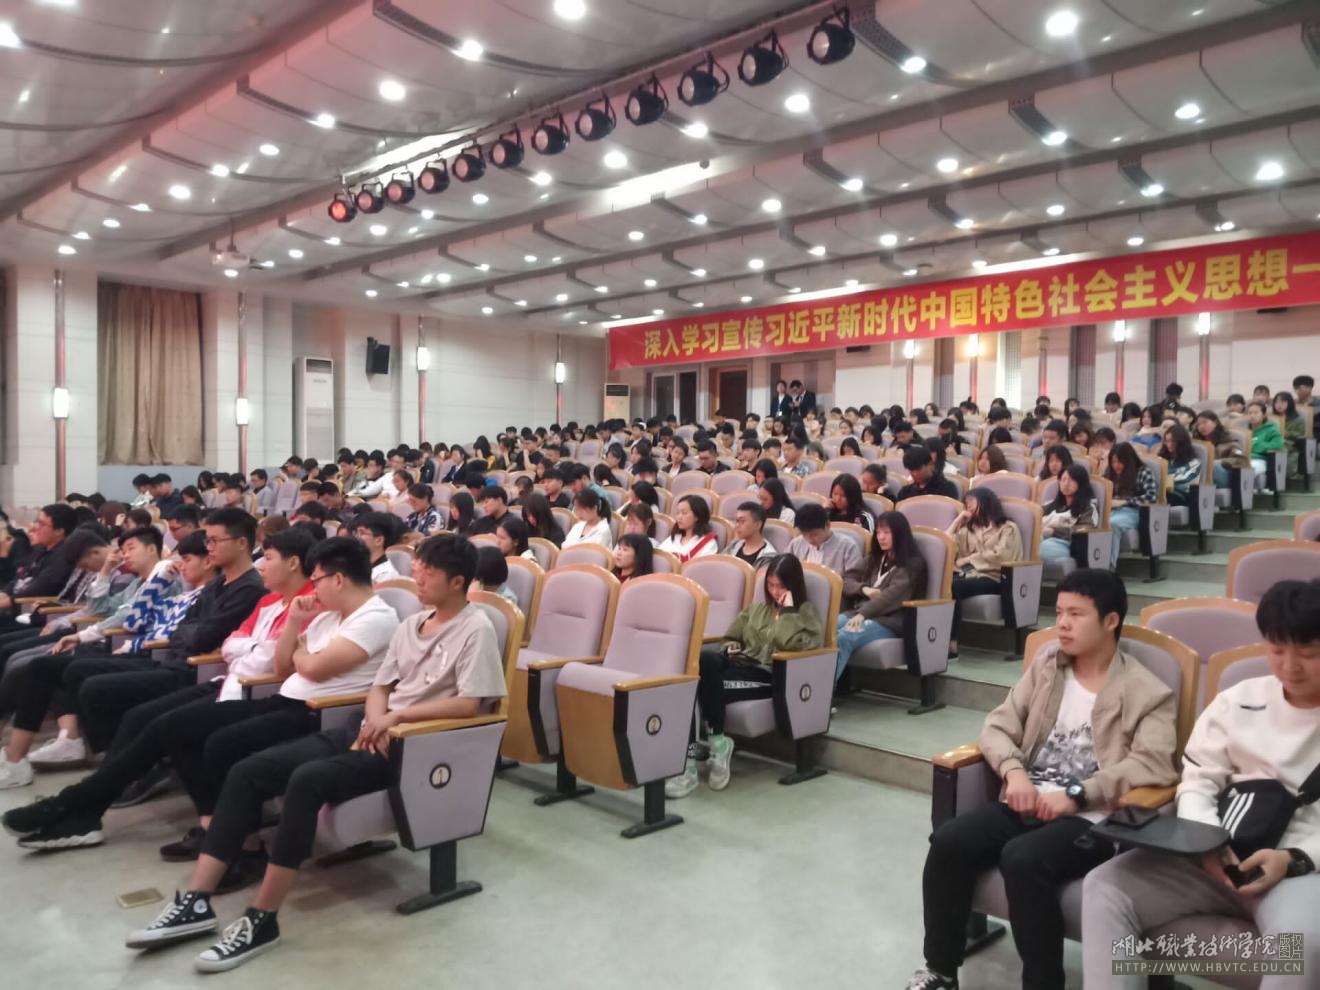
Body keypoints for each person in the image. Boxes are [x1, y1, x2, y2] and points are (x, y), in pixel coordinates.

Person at [120, 536, 505, 972]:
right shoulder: (412, 623)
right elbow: (380, 686)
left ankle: (263, 919)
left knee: (306, 780)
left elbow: (469, 704)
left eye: (428, 573)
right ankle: (196, 900)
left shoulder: (476, 629)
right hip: (369, 731)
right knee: (248, 770)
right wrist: (375, 719)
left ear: (457, 582)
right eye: (417, 570)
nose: (417, 579)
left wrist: (396, 720)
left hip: (416, 746)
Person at [906, 569, 1178, 990]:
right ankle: (940, 971)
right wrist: (1014, 773)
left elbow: (1154, 764)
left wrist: (1079, 794)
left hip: (1091, 820)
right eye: (1060, 612)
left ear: (1111, 621)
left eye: (1076, 614)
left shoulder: (1147, 690)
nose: (1062, 624)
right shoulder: (1049, 665)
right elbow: (998, 727)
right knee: (948, 842)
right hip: (1027, 799)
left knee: (1023, 858)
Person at [2, 528, 314, 850]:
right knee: (141, 717)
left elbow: (264, 660)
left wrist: (244, 649)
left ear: (292, 563)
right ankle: (85, 807)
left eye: (269, 558)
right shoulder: (266, 599)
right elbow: (226, 644)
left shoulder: (301, 605)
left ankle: (76, 804)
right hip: (223, 680)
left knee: (169, 725)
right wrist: (246, 649)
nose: (262, 565)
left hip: (250, 689)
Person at [1081, 577, 1320, 989]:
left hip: (1298, 868)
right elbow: (1198, 780)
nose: (1289, 667)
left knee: (1299, 945)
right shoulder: (1239, 700)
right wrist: (1205, 841)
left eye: (1309, 653)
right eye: (1277, 650)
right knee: (1105, 887)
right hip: (1217, 853)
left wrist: (1295, 859)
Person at [667, 554, 823, 798]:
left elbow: (791, 644)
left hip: (768, 675)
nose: (775, 592)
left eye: (781, 586)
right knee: (705, 660)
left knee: (694, 690)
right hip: (740, 665)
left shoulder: (806, 613)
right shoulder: (757, 609)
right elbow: (730, 637)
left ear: (793, 585)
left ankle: (690, 767)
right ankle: (715, 746)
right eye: (770, 585)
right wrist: (731, 648)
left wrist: (788, 611)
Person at [834, 511, 927, 684]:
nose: (881, 537)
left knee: (845, 636)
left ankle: (824, 692)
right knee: (827, 629)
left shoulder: (913, 564)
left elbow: (890, 597)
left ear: (899, 534)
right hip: (861, 612)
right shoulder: (874, 558)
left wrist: (863, 614)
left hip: (890, 620)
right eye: (878, 532)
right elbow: (845, 580)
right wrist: (864, 589)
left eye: (886, 532)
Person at [947, 488, 1024, 655]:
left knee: (953, 587)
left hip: (994, 577)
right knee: (942, 584)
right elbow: (946, 547)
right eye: (966, 503)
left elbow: (1002, 556)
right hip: (968, 574)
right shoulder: (969, 529)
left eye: (971, 502)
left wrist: (969, 559)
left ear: (985, 502)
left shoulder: (1008, 528)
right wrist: (957, 521)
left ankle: (951, 643)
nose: (968, 506)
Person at [0, 504, 77, 633]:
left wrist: (3, 602)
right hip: (15, 606)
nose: (35, 528)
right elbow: (19, 577)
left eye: (42, 524)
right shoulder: (41, 550)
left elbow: (35, 591)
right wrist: (3, 594)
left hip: (29, 612)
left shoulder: (62, 557)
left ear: (59, 531)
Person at [787, 504, 864, 599]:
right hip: (799, 596)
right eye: (804, 534)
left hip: (833, 599)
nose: (809, 540)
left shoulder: (847, 546)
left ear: (827, 525)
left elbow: (852, 582)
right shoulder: (796, 544)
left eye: (814, 534)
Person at [1106, 443, 1158, 567]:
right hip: (1110, 511)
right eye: (1113, 462)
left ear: (1128, 460)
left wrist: (1127, 501)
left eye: (1119, 462)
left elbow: (1152, 497)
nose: (1116, 466)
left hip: (1133, 511)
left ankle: (1109, 568)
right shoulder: (1109, 473)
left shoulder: (1143, 472)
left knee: (1112, 524)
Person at [1039, 463, 1098, 563]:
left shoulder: (1088, 508)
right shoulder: (1051, 505)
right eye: (1063, 480)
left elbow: (1084, 532)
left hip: (1067, 545)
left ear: (1081, 482)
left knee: (1039, 549)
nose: (1066, 484)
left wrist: (1054, 532)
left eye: (1071, 480)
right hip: (1043, 539)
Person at [657, 494, 718, 562]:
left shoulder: (708, 543)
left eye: (684, 513)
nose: (679, 517)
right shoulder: (673, 538)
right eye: (678, 513)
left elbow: (704, 567)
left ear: (697, 516)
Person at [896, 446, 961, 502]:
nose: (915, 474)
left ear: (931, 465)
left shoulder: (947, 488)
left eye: (918, 469)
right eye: (911, 470)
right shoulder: (905, 492)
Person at [1159, 423, 1202, 507]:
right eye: (1167, 441)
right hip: (1161, 492)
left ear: (1181, 442)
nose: (1169, 444)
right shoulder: (1163, 460)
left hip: (1179, 495)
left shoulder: (1194, 463)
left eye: (1173, 441)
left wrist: (1164, 480)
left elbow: (1186, 478)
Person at [1248, 400, 1285, 493]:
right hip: (1243, 459)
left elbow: (1278, 444)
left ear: (1264, 415)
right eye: (1249, 413)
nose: (1252, 415)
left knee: (1246, 470)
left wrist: (1256, 446)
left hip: (1260, 460)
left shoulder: (1271, 430)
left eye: (1256, 413)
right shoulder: (1244, 430)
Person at [724, 502, 777, 566]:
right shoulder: (734, 545)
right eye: (737, 521)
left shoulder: (768, 556)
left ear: (757, 525)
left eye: (742, 521)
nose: (737, 525)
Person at [1273, 390, 1305, 476]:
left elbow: (1300, 434)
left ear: (1290, 403)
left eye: (1282, 402)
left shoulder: (1298, 419)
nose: (1279, 405)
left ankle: (1279, 475)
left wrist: (1283, 433)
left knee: (1280, 447)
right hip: (1272, 442)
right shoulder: (1271, 418)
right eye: (1276, 402)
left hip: (1290, 444)